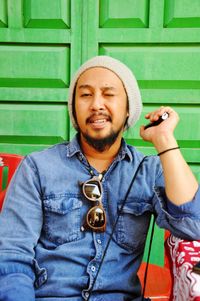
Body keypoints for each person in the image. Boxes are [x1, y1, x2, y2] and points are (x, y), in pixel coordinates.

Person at [0, 55, 199, 301]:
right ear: (73, 108)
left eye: (108, 94)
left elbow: (193, 225)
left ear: (128, 108)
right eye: (85, 95)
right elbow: (10, 257)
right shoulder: (37, 168)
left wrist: (165, 140)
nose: (96, 104)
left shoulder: (148, 170)